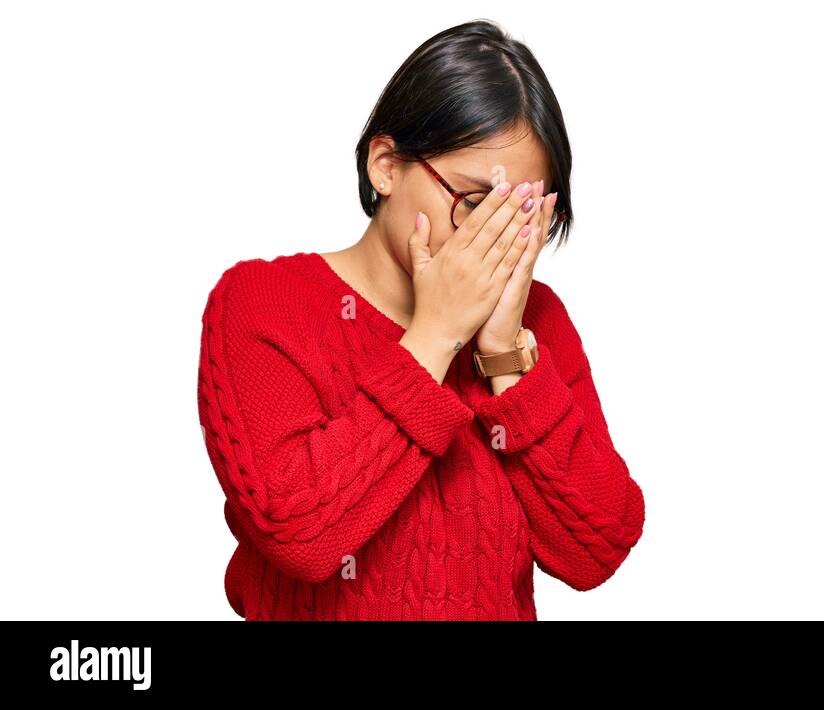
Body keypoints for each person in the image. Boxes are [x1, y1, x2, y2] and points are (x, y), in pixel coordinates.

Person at [195, 19, 645, 620]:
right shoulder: (264, 302)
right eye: (477, 203)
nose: (499, 237)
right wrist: (435, 337)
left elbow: (597, 549)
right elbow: (299, 534)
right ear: (386, 166)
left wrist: (505, 358)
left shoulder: (537, 319)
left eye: (524, 214)